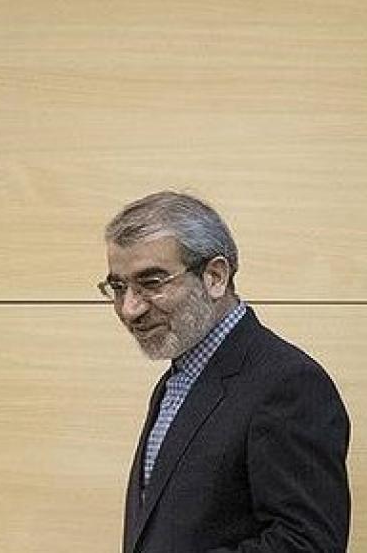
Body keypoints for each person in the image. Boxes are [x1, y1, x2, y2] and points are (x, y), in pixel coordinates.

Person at [100, 191, 350, 552]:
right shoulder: (175, 381)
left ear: (215, 276)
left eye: (151, 283)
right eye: (118, 287)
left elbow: (307, 544)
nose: (130, 309)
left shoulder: (289, 384)